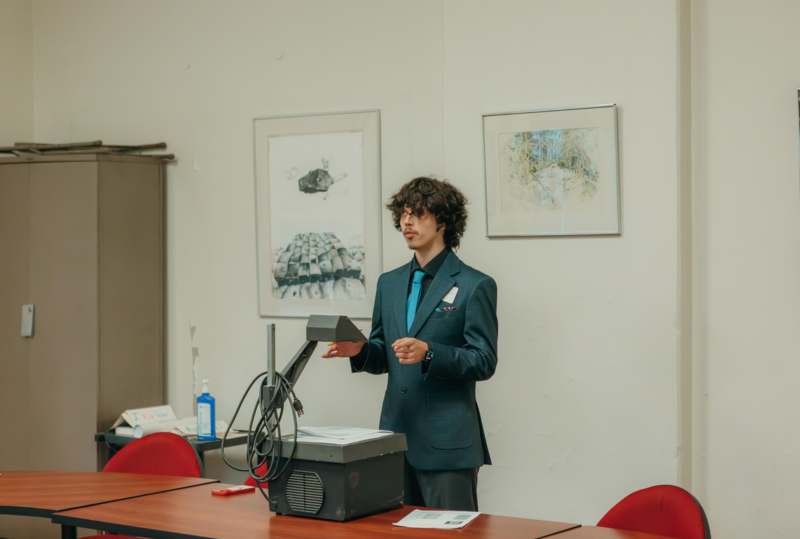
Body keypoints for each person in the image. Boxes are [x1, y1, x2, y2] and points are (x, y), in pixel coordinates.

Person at [322, 176, 498, 511]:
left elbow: (484, 360)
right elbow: (383, 354)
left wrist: (429, 352)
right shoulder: (389, 284)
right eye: (403, 214)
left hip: (448, 447)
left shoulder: (476, 285)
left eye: (417, 213)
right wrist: (360, 350)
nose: (406, 222)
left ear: (443, 220)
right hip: (394, 441)